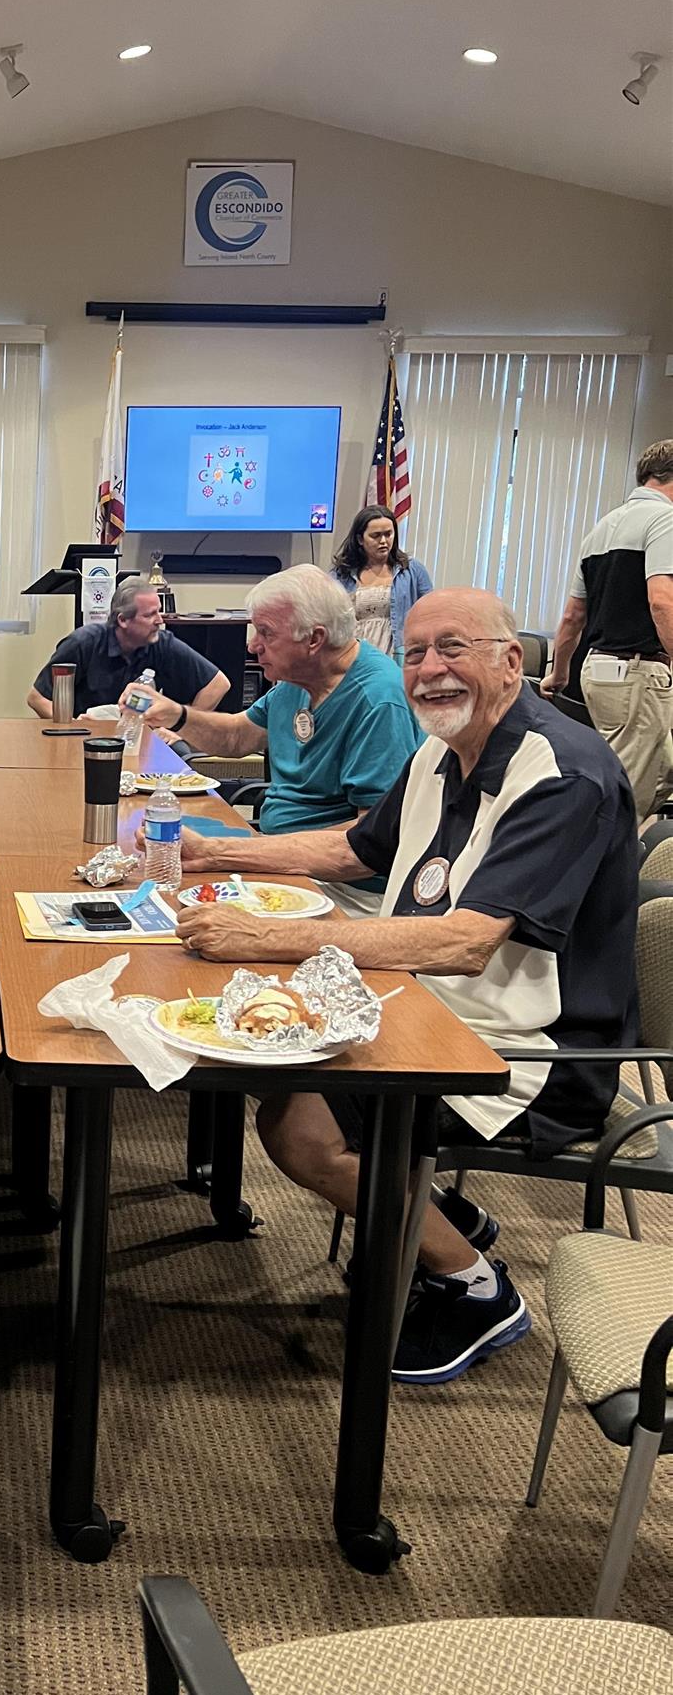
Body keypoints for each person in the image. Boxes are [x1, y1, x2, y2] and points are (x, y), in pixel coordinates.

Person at [175, 588, 638, 1385]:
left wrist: (268, 938)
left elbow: (465, 943)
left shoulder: (560, 773)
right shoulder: (442, 748)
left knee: (299, 1129)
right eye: (415, 652)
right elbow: (355, 850)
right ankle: (432, 1211)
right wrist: (211, 854)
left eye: (452, 647)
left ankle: (474, 1288)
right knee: (253, 1042)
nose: (428, 670)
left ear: (510, 660)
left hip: (527, 1053)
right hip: (424, 1006)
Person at [129, 567, 421, 894]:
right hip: (282, 855)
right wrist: (177, 715)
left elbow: (366, 846)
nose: (253, 646)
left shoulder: (378, 701)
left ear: (314, 639)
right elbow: (236, 736)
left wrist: (222, 852)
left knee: (177, 897)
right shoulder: (300, 679)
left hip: (345, 885)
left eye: (266, 633)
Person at [541, 438, 673, 818]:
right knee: (621, 798)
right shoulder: (665, 520)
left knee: (664, 769)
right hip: (636, 675)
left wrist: (559, 673)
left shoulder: (601, 528)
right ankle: (589, 852)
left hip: (599, 674)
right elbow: (662, 601)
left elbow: (572, 617)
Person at [27, 577, 230, 719]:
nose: (160, 621)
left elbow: (218, 684)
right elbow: (37, 698)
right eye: (150, 615)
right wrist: (72, 727)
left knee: (181, 754)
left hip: (140, 736)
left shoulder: (162, 643)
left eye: (159, 612)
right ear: (123, 620)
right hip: (87, 737)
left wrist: (181, 728)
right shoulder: (83, 643)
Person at [331, 504, 432, 659]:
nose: (383, 541)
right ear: (360, 539)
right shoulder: (341, 575)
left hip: (397, 655)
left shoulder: (412, 570)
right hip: (354, 655)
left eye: (388, 534)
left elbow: (430, 612)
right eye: (376, 536)